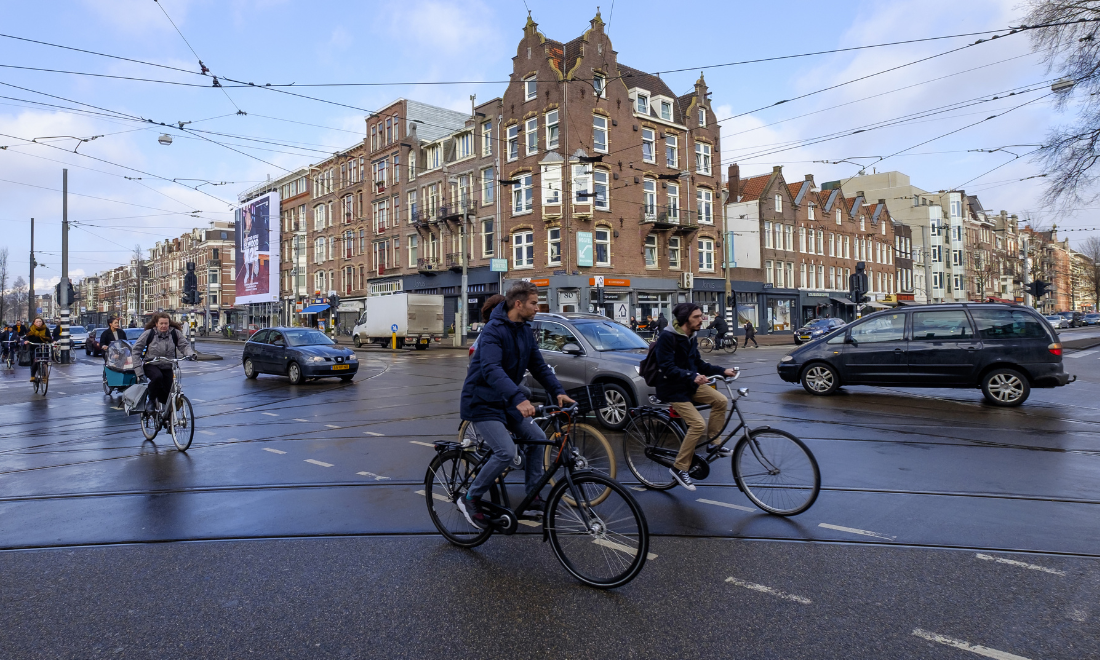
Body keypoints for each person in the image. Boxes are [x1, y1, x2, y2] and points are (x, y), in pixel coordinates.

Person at [458, 282, 575, 527]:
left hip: (506, 400)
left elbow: (539, 366)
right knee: (506, 452)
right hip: (482, 402)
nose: (537, 307)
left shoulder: (524, 330)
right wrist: (519, 399)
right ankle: (471, 497)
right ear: (518, 304)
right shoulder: (493, 331)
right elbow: (491, 369)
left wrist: (558, 391)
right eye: (534, 303)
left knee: (536, 439)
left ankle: (532, 497)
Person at [654, 303, 739, 491]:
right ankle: (679, 467)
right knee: (698, 424)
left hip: (689, 384)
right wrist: (692, 376)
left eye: (702, 316)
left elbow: (699, 363)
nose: (702, 320)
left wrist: (723, 371)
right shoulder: (667, 337)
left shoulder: (691, 337)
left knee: (720, 400)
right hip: (672, 387)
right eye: (697, 317)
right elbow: (667, 367)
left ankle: (713, 444)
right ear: (685, 319)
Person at [132, 312, 196, 413]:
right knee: (157, 377)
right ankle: (151, 401)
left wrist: (191, 354)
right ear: (156, 324)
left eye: (166, 323)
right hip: (151, 364)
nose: (164, 326)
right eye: (161, 323)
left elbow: (184, 346)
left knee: (168, 393)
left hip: (167, 365)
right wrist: (139, 371)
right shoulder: (149, 334)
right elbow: (136, 350)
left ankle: (168, 419)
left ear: (169, 324)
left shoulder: (175, 333)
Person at [22, 318, 52, 382]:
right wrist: (27, 341)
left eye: (40, 321)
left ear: (42, 322)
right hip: (34, 347)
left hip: (44, 346)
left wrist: (51, 341)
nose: (39, 323)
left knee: (45, 361)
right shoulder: (31, 329)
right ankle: (32, 376)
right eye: (37, 321)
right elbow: (27, 336)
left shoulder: (46, 329)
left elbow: (49, 337)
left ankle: (44, 375)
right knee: (35, 361)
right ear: (34, 323)